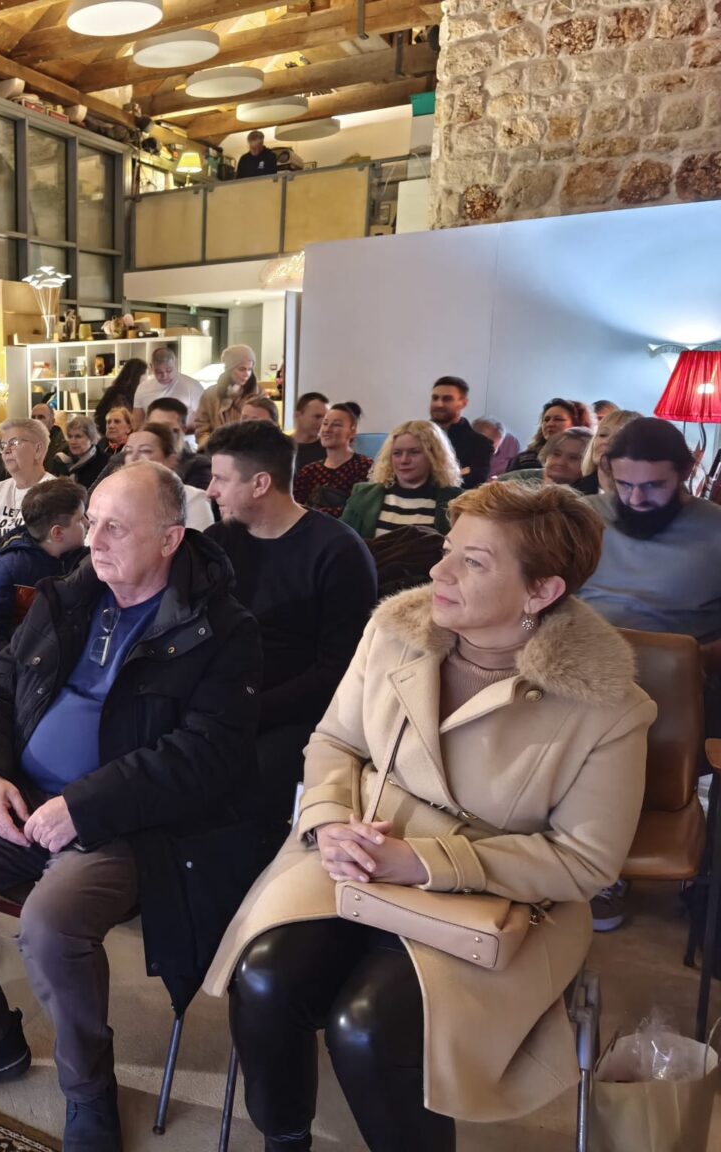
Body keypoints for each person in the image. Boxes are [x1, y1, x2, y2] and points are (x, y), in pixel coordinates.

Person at [207, 481, 654, 1152]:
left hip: (496, 892)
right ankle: (285, 1140)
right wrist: (328, 821)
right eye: (448, 549)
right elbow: (336, 740)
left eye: (472, 562)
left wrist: (421, 862)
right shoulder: (394, 630)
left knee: (368, 1027)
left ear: (541, 591)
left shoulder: (609, 707)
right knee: (265, 979)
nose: (439, 571)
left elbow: (584, 862)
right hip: (357, 847)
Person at [0, 462, 263, 1152]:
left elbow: (206, 756)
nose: (94, 541)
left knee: (50, 923)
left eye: (116, 528)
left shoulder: (220, 628)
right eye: (92, 523)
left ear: (170, 539)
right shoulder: (69, 596)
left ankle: (87, 1089)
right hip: (20, 794)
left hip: (125, 823)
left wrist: (82, 807)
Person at [205, 419, 378, 825]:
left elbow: (338, 670)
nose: (210, 490)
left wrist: (248, 711)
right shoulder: (217, 541)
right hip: (219, 701)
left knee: (243, 793)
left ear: (260, 484)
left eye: (220, 479)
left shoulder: (338, 552)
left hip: (295, 715)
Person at [580, 417, 721, 748]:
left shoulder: (715, 529)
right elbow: (532, 598)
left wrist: (699, 659)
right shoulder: (581, 517)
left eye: (654, 485)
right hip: (581, 663)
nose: (636, 499)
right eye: (624, 484)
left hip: (679, 677)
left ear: (686, 471)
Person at [0, 477, 87, 670]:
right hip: (23, 667)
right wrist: (19, 665)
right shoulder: (12, 566)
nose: (88, 523)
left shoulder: (86, 561)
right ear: (57, 533)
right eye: (80, 519)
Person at [342, 421, 465, 539]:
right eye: (397, 453)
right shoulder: (363, 496)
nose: (404, 460)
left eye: (414, 452)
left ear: (433, 456)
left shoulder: (456, 501)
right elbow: (343, 542)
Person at [0, 418, 55, 546]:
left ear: (38, 450)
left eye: (13, 443)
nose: (6, 450)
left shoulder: (56, 493)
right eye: (3, 446)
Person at [122, 424, 214, 529]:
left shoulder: (191, 499)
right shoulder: (114, 498)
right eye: (129, 451)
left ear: (171, 460)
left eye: (145, 450)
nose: (133, 458)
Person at [294, 402, 372, 516]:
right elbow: (295, 509)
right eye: (325, 423)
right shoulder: (309, 471)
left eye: (336, 425)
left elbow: (360, 510)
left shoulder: (365, 466)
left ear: (352, 431)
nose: (327, 429)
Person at [428, 376, 494, 489]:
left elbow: (471, 486)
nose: (439, 404)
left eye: (447, 399)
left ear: (463, 403)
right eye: (435, 398)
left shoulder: (480, 445)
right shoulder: (415, 437)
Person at [194, 344, 258, 440]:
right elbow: (201, 428)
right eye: (241, 369)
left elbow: (267, 427)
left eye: (250, 369)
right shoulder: (210, 394)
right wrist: (212, 444)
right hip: (217, 447)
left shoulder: (258, 394)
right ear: (229, 369)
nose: (247, 374)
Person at [575, 407, 642, 495]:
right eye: (603, 435)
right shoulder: (573, 493)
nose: (607, 441)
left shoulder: (647, 495)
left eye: (619, 436)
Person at [499, 428, 594, 488]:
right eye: (556, 454)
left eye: (573, 458)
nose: (561, 462)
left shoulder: (592, 496)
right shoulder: (514, 481)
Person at [506, 397, 581, 473]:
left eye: (558, 419)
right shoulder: (524, 459)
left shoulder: (584, 458)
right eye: (546, 420)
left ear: (575, 424)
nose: (549, 424)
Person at [132, 345, 204, 422]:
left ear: (175, 363)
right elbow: (137, 423)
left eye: (169, 370)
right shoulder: (143, 388)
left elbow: (202, 420)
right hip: (153, 429)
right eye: (159, 372)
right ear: (151, 366)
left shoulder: (193, 386)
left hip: (184, 429)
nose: (164, 376)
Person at [46, 415, 108, 489]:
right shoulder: (61, 460)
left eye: (78, 436)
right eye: (70, 436)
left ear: (91, 438)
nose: (73, 441)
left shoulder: (105, 463)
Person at [94, 358, 147, 433]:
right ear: (137, 376)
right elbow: (125, 419)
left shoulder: (117, 392)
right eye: (144, 375)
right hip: (117, 435)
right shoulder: (120, 396)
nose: (146, 379)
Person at [292, 392, 329, 472]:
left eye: (325, 418)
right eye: (317, 417)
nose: (322, 423)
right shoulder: (281, 447)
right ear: (298, 416)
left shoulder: (328, 451)